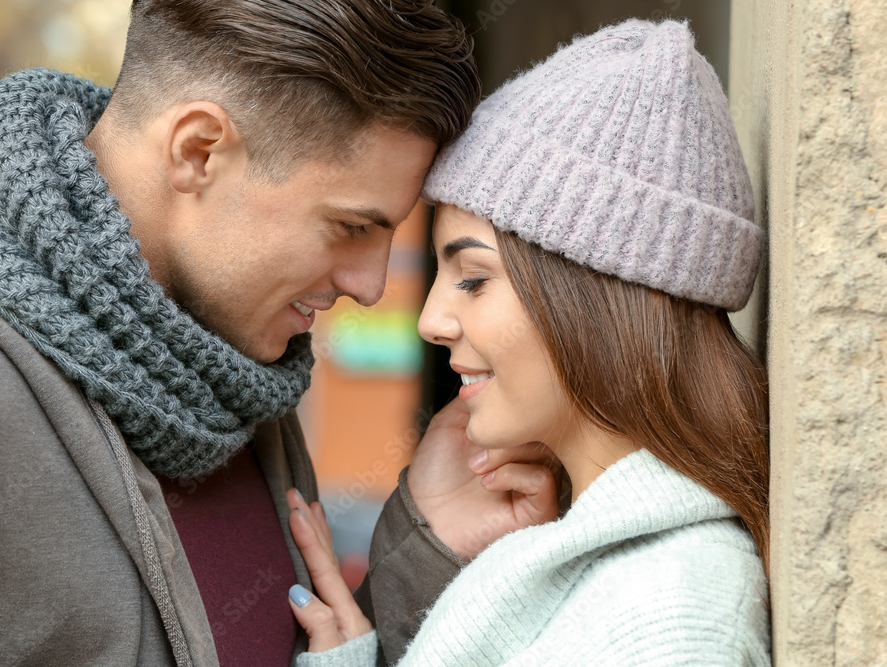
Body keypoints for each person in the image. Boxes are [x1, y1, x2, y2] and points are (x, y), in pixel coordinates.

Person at [0, 1, 561, 664]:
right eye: (351, 226)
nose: (372, 287)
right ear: (198, 151)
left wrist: (424, 544)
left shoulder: (221, 362)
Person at [286, 19, 772, 666]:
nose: (432, 320)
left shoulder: (676, 618)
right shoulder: (571, 563)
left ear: (620, 293)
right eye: (440, 276)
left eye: (474, 279)